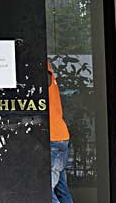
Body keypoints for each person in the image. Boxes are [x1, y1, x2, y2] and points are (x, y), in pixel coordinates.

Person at [48, 61, 74, 203]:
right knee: (61, 189)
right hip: (59, 135)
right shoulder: (49, 70)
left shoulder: (42, 70)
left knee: (45, 190)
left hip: (52, 137)